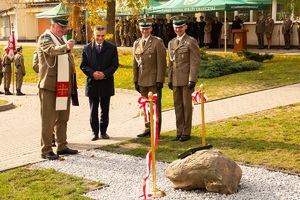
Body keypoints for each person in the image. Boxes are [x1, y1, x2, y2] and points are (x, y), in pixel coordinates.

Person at [37, 16, 78, 160]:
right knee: (48, 119)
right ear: (53, 26)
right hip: (49, 85)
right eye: (61, 27)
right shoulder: (45, 38)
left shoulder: (63, 39)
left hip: (63, 84)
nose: (64, 30)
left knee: (63, 117)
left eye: (66, 27)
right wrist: (66, 48)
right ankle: (46, 149)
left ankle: (62, 146)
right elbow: (51, 50)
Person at [80, 25, 119, 141]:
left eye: (102, 36)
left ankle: (103, 131)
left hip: (106, 82)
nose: (100, 38)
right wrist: (93, 73)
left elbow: (115, 65)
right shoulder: (86, 48)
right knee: (93, 109)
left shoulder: (112, 48)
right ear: (93, 35)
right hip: (92, 83)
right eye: (98, 36)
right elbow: (83, 65)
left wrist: (104, 74)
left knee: (105, 109)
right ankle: (94, 132)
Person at [167, 15, 200, 142]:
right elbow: (171, 63)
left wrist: (192, 79)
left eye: (180, 27)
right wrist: (170, 79)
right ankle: (179, 131)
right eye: (176, 27)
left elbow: (194, 62)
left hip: (186, 79)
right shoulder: (171, 43)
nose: (178, 29)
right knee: (178, 106)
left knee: (186, 106)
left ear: (185, 27)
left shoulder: (191, 41)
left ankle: (186, 132)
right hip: (175, 79)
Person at [133, 17, 166, 137]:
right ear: (140, 29)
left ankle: (156, 129)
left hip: (153, 80)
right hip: (142, 80)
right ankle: (148, 128)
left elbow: (162, 63)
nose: (145, 31)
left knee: (155, 106)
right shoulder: (137, 43)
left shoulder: (157, 42)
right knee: (145, 105)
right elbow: (135, 63)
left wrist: (160, 80)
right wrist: (135, 80)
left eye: (147, 29)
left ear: (151, 29)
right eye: (143, 29)